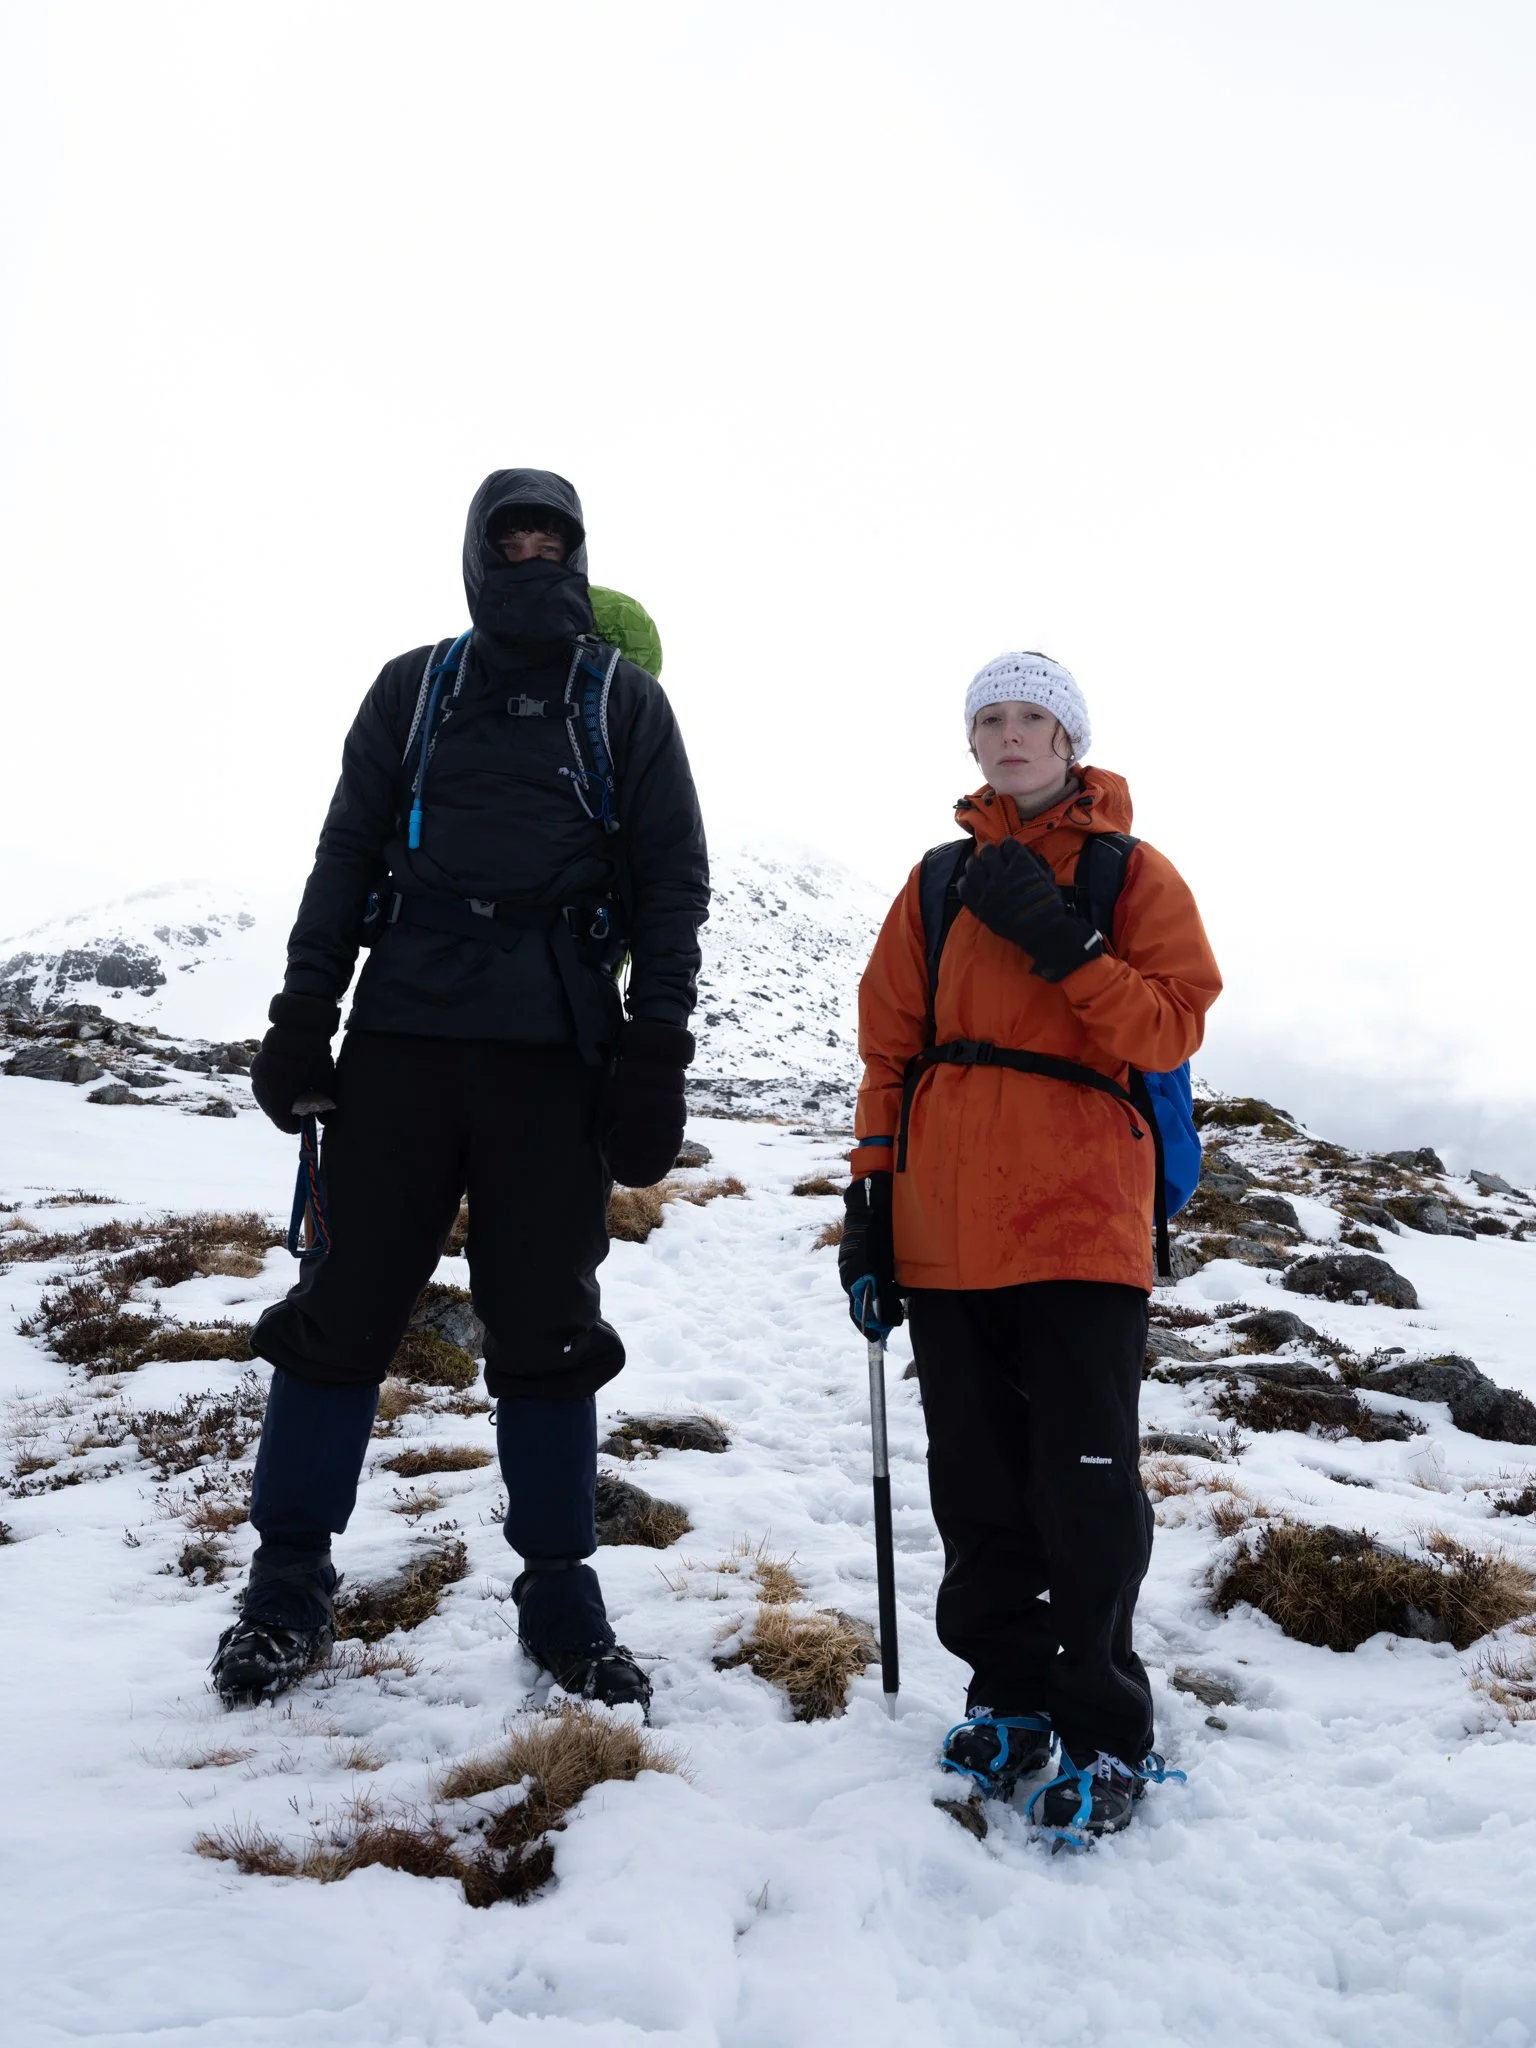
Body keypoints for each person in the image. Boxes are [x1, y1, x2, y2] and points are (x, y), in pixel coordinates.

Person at [212, 469, 708, 1715]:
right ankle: (284, 1590)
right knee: (340, 1313)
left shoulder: (625, 703)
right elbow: (344, 856)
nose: (532, 557)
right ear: (477, 555)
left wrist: (657, 1052)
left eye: (553, 540)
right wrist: (299, 1016)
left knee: (547, 1330)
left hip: (555, 1054)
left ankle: (561, 1597)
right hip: (403, 1043)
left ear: (581, 554)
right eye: (511, 539)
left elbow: (671, 885)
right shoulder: (411, 687)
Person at [839, 652, 1221, 1836]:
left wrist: (1065, 945)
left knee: (1088, 1484)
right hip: (947, 1225)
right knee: (980, 1479)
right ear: (972, 743)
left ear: (1070, 740)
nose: (1010, 735)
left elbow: (1168, 1025)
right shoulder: (939, 882)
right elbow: (889, 1051)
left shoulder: (1131, 874)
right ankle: (1006, 1691)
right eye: (990, 719)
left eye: (1032, 717)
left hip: (1082, 1219)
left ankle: (1105, 1723)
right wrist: (870, 1205)